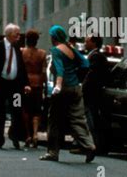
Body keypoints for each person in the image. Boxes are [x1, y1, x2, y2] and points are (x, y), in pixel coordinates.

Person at [40, 25, 96, 163]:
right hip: (76, 88)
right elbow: (85, 63)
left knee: (54, 120)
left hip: (64, 89)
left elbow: (59, 69)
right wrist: (75, 73)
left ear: (54, 37)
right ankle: (89, 145)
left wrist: (58, 85)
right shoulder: (70, 48)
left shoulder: (56, 51)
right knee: (78, 118)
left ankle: (53, 152)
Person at [0, 24, 31, 150]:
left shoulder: (17, 49)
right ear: (9, 34)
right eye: (17, 34)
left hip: (15, 85)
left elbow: (21, 68)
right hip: (0, 84)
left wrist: (26, 84)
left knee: (17, 109)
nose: (18, 36)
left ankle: (15, 136)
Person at [80, 34, 108, 153]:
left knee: (91, 119)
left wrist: (83, 88)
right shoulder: (92, 56)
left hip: (91, 94)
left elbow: (91, 76)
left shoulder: (96, 57)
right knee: (90, 118)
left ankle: (93, 144)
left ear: (94, 43)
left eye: (87, 41)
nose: (85, 43)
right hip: (92, 94)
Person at [21, 29, 47, 148]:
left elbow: (20, 69)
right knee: (36, 110)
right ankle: (36, 134)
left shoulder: (22, 52)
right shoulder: (42, 53)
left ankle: (27, 135)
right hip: (37, 84)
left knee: (25, 109)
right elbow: (43, 71)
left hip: (25, 84)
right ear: (36, 41)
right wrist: (44, 85)